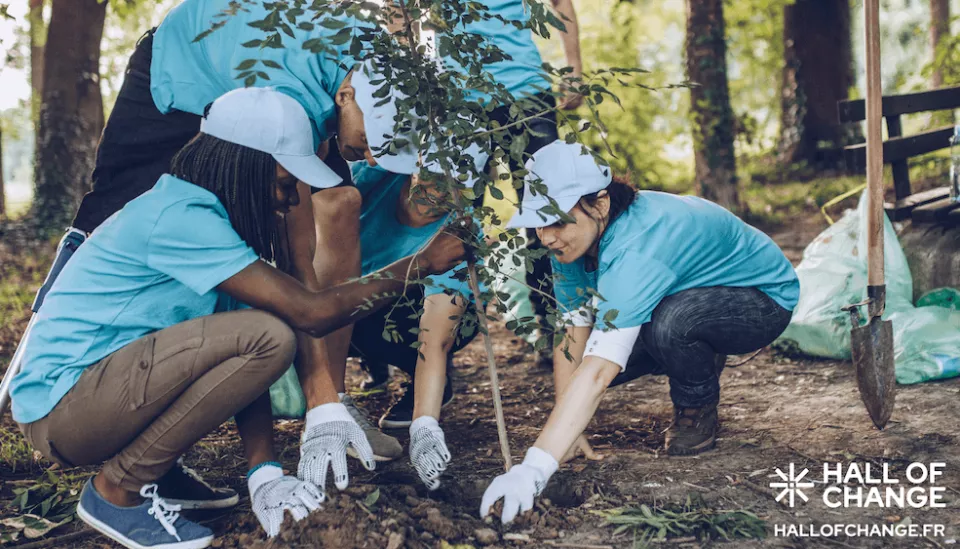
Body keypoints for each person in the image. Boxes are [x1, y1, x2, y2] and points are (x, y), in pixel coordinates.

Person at [10, 88, 468, 549]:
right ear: (244, 166)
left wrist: (263, 473)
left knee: (259, 333)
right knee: (269, 334)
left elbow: (243, 366)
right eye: (284, 184)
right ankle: (117, 491)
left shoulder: (214, 223)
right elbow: (308, 313)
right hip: (65, 410)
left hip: (96, 399)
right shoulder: (182, 216)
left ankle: (157, 472)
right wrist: (420, 264)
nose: (290, 202)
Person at [61, 0, 420, 461]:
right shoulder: (288, 91)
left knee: (340, 202)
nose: (371, 159)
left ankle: (336, 401)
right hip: (186, 59)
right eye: (370, 144)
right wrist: (317, 393)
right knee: (118, 203)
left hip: (280, 69)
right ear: (346, 97)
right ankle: (318, 400)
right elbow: (296, 252)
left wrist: (327, 401)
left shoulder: (381, 66)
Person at [479, 141, 800, 524]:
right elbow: (572, 334)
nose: (546, 236)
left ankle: (696, 406)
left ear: (599, 204)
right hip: (685, 291)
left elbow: (598, 371)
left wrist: (534, 469)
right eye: (539, 222)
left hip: (761, 300)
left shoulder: (637, 246)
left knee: (670, 324)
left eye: (557, 221)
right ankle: (696, 349)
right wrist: (568, 432)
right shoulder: (570, 245)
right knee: (601, 351)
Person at [359, 0, 585, 388]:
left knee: (549, 212)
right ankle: (431, 350)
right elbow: (398, 10)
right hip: (457, 99)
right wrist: (409, 75)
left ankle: (556, 330)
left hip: (526, 93)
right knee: (448, 222)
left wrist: (574, 68)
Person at [345, 160, 488, 489]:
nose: (440, 191)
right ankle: (337, 402)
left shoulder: (458, 233)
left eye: (456, 184)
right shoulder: (375, 176)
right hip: (345, 296)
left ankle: (429, 386)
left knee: (406, 318)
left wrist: (425, 425)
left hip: (403, 313)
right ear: (415, 166)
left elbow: (434, 337)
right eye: (434, 177)